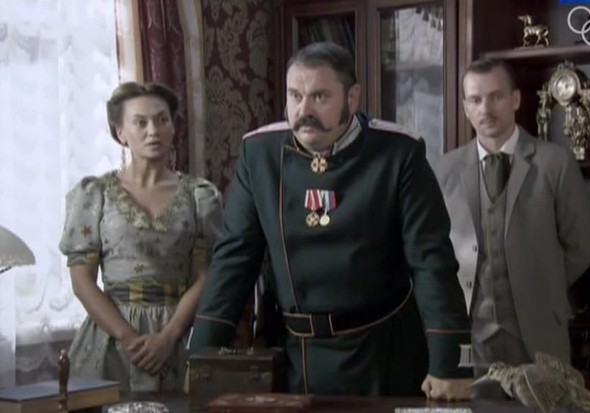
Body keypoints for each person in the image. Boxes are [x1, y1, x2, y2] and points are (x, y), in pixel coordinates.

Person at [188, 41, 472, 400]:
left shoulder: (399, 152)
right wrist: (200, 358)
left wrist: (452, 365)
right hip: (293, 357)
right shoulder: (258, 153)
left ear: (352, 98)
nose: (303, 110)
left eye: (319, 97)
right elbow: (233, 260)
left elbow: (432, 262)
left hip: (385, 351)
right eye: (295, 96)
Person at [432, 57, 590, 399]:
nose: (486, 108)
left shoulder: (555, 163)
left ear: (516, 99)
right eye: (476, 99)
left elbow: (581, 248)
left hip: (540, 332)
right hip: (469, 335)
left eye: (496, 96)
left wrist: (538, 287)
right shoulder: (444, 170)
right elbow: (434, 253)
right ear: (465, 107)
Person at [58, 81, 224, 392]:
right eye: (141, 122)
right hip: (111, 337)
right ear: (121, 132)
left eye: (162, 120)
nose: (153, 131)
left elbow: (204, 277)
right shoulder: (95, 194)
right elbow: (82, 281)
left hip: (177, 335)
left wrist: (168, 338)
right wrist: (129, 339)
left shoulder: (199, 196)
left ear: (173, 128)